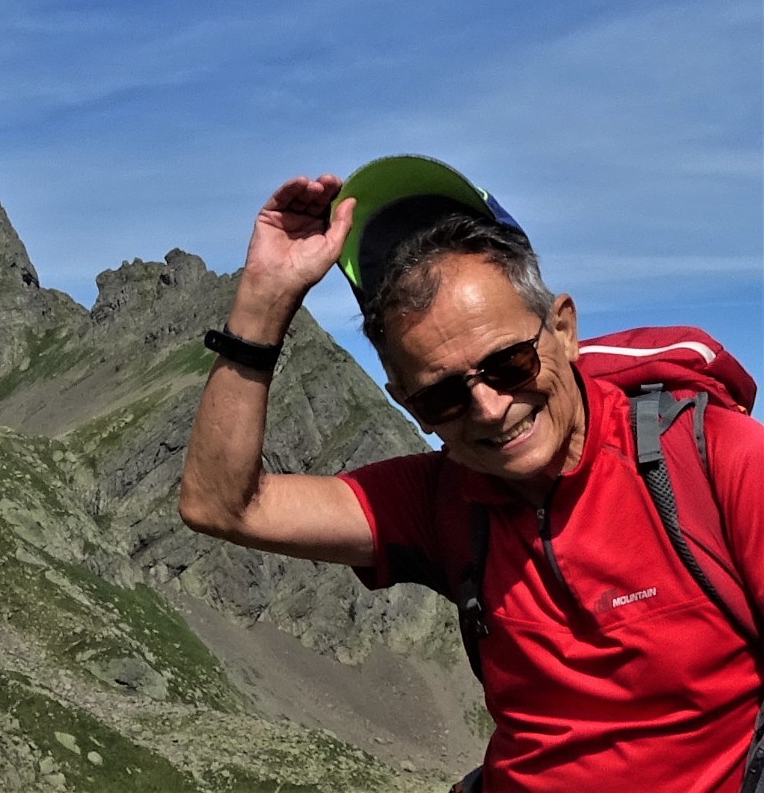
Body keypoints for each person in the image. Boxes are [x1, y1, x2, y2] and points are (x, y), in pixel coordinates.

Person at [179, 155, 763, 792]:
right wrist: (265, 301)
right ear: (407, 401)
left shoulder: (711, 463)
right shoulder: (439, 499)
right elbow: (220, 504)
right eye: (444, 396)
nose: (488, 410)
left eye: (510, 363)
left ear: (563, 330)